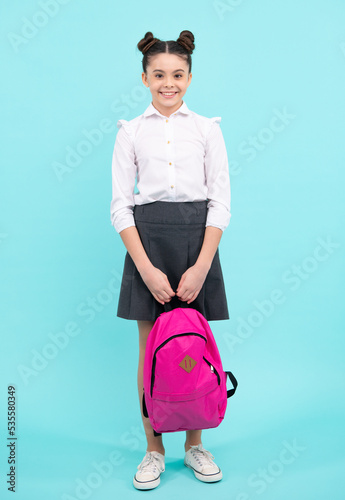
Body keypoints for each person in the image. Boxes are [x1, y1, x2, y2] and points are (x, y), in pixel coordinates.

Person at [110, 30, 231, 490]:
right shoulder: (131, 132)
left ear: (190, 77)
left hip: (196, 246)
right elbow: (121, 206)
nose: (168, 83)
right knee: (152, 353)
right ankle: (154, 449)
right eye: (158, 75)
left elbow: (220, 203)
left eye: (177, 75)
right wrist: (145, 267)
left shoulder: (207, 129)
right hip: (149, 246)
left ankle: (195, 443)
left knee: (192, 348)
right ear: (144, 79)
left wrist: (201, 266)